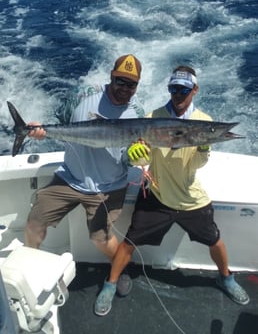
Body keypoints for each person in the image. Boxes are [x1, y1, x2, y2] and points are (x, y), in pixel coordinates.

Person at [94, 65, 250, 316]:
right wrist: (136, 155)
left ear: (195, 89)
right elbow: (139, 159)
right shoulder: (153, 115)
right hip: (156, 192)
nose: (178, 94)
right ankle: (110, 283)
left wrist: (203, 147)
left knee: (215, 241)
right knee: (129, 242)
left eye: (184, 90)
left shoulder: (204, 123)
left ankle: (226, 277)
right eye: (174, 89)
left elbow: (197, 164)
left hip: (189, 197)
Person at [24, 54, 144, 297]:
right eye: (120, 81)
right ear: (111, 76)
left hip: (109, 186)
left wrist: (135, 156)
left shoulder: (137, 114)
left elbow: (129, 159)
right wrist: (39, 130)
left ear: (137, 86)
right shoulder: (82, 95)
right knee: (34, 224)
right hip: (69, 177)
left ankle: (120, 268)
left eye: (131, 84)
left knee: (100, 239)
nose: (124, 88)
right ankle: (31, 268)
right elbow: (59, 121)